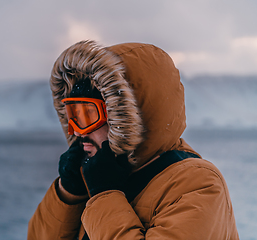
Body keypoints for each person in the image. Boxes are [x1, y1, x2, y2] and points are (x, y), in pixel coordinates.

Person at [28, 40, 239, 239]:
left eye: (87, 115)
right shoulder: (94, 177)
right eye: (72, 115)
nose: (76, 131)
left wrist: (105, 196)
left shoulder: (198, 185)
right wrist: (69, 193)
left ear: (126, 117)